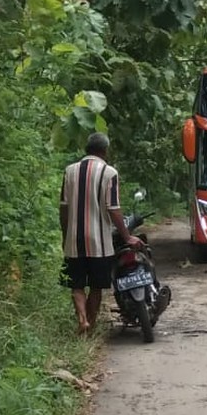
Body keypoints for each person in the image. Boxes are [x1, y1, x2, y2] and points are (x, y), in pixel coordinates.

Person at [59, 132, 140, 335]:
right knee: (96, 286)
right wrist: (127, 236)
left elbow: (64, 207)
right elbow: (113, 208)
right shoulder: (109, 172)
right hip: (100, 242)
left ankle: (82, 319)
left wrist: (65, 234)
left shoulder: (69, 171)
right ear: (105, 150)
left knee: (76, 285)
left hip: (74, 240)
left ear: (87, 148)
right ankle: (91, 326)